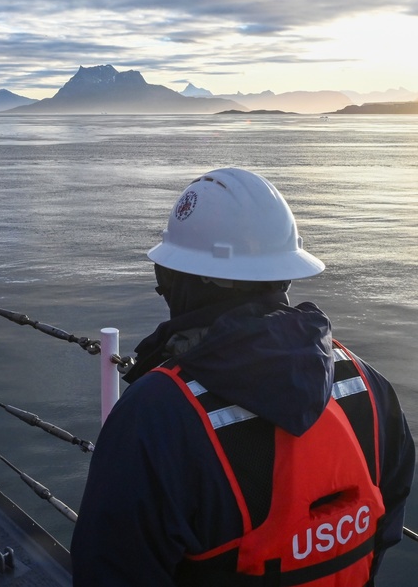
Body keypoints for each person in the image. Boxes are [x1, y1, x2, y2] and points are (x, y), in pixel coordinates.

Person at [71, 167, 414, 586]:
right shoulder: (370, 387)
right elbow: (384, 528)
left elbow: (108, 570)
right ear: (284, 273)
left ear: (178, 280)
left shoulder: (155, 415)